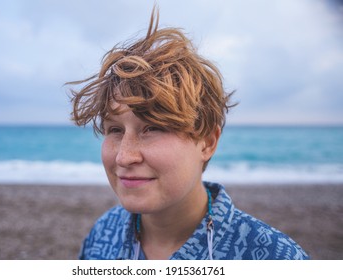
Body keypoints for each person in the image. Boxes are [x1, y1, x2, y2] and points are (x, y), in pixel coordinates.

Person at [69, 8, 309, 260]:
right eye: (115, 130)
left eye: (153, 127)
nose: (123, 157)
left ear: (207, 142)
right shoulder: (102, 236)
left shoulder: (273, 258)